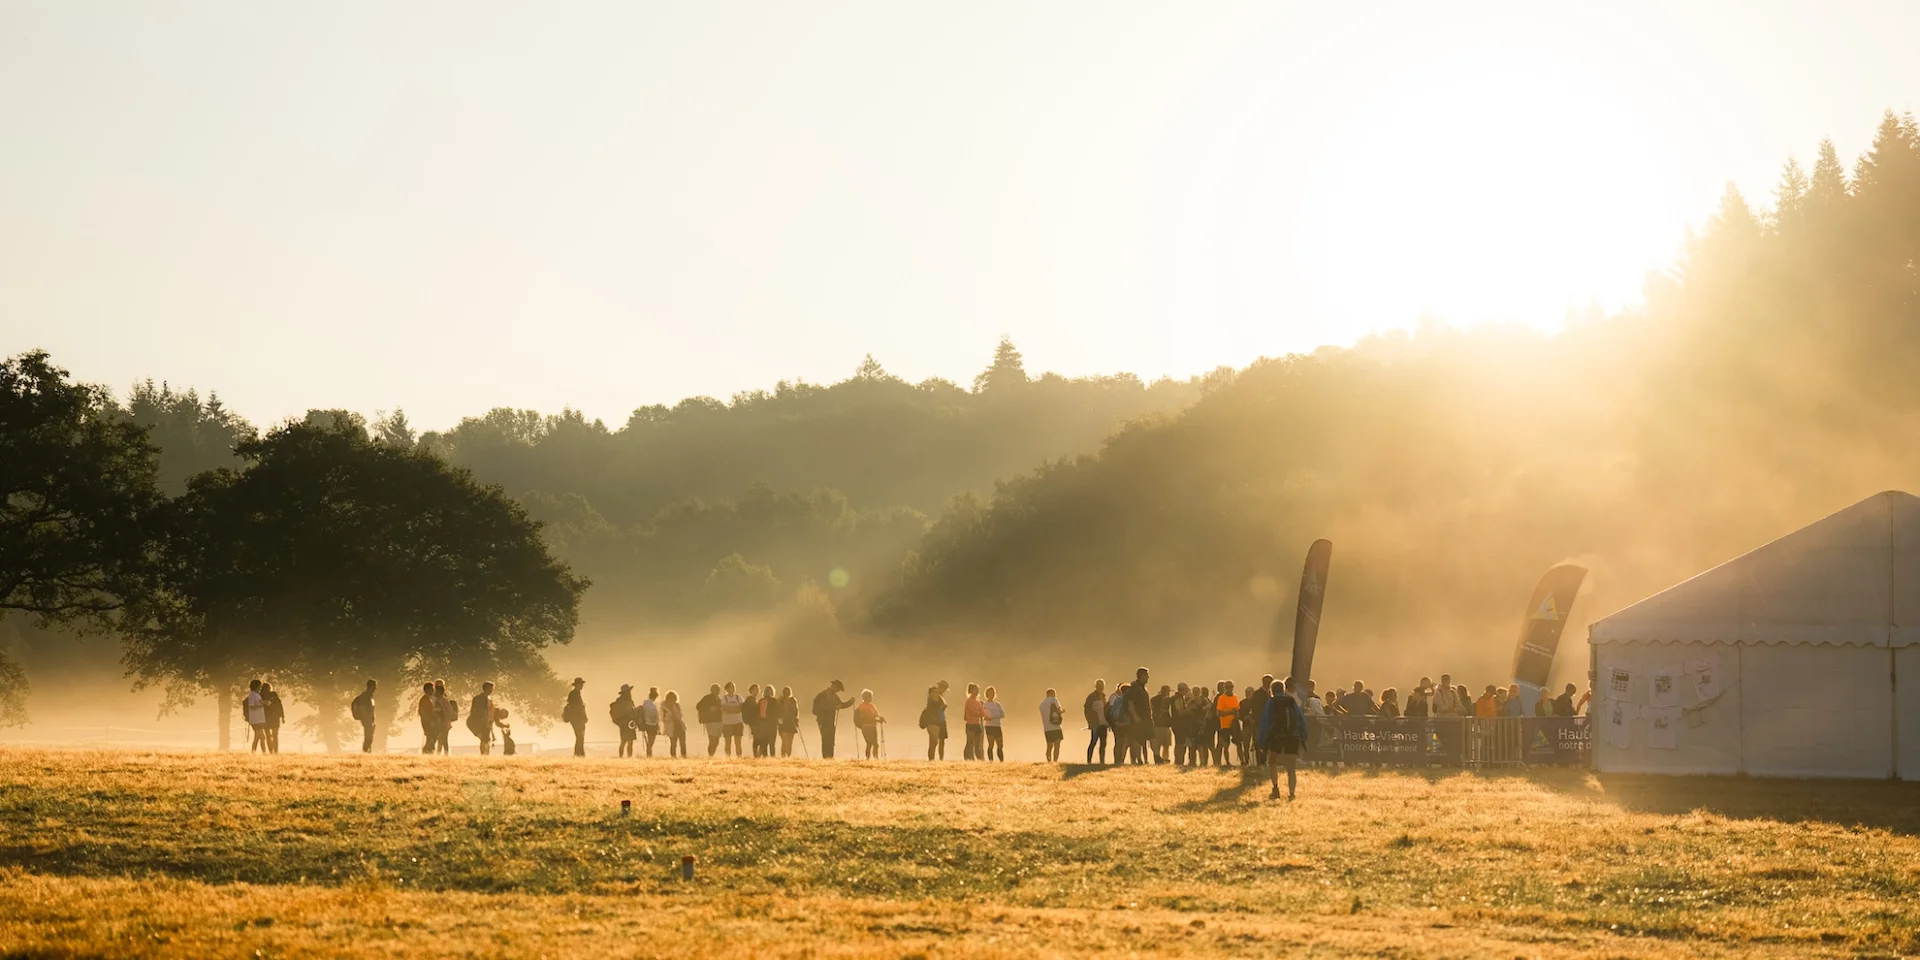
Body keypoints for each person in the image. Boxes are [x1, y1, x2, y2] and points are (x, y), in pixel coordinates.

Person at [1258, 676, 1307, 801]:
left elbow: (1265, 722)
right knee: (1291, 768)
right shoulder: (1291, 701)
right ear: (1284, 689)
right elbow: (1301, 718)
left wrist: (1261, 741)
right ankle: (1291, 793)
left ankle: (1275, 789)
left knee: (1272, 762)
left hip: (1276, 737)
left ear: (1271, 690)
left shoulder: (1271, 702)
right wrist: (1303, 735)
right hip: (1292, 736)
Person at [811, 680, 855, 758]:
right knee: (825, 740)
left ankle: (830, 757)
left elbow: (841, 705)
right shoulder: (822, 696)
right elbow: (816, 710)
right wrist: (833, 708)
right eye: (838, 689)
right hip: (823, 721)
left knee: (831, 741)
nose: (838, 691)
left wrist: (850, 702)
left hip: (831, 722)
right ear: (833, 686)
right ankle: (826, 758)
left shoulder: (834, 696)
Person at [1243, 675, 1273, 766]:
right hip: (1260, 722)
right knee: (1259, 743)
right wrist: (1256, 719)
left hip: (1269, 722)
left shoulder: (1270, 693)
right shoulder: (1258, 694)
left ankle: (1267, 762)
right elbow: (1255, 708)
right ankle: (1260, 762)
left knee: (1268, 743)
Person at [1125, 667, 1153, 764]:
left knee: (1143, 740)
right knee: (1136, 740)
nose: (1148, 678)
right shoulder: (1134, 687)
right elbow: (1130, 703)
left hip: (1145, 718)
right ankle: (1137, 760)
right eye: (1147, 675)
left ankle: (1142, 760)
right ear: (1142, 676)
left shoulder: (1142, 687)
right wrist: (1135, 716)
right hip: (1138, 719)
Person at [1214, 681, 1240, 768]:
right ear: (1225, 688)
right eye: (1228, 687)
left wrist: (1236, 715)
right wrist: (1230, 712)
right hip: (1225, 725)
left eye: (1231, 686)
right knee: (1225, 744)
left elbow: (1237, 709)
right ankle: (1227, 762)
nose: (1230, 688)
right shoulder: (1221, 698)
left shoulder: (1235, 697)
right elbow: (1219, 713)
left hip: (1234, 724)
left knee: (1239, 742)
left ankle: (1243, 761)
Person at [1106, 682, 1133, 764]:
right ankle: (1121, 760)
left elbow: (1111, 712)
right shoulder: (1127, 700)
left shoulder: (1117, 700)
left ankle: (1117, 761)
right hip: (1126, 724)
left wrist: (1114, 722)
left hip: (1117, 724)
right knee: (1126, 743)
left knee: (1118, 743)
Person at [1083, 679, 1109, 765]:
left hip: (1104, 723)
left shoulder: (1104, 696)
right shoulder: (1091, 697)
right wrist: (1090, 722)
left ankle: (1102, 761)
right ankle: (1089, 761)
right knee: (1093, 742)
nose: (1101, 687)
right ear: (1096, 686)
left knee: (1103, 743)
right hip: (1095, 724)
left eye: (1102, 686)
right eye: (1099, 685)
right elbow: (1087, 710)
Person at [920, 684, 947, 760]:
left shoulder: (939, 700)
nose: (937, 693)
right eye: (935, 692)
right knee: (934, 741)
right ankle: (931, 758)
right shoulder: (931, 700)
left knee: (934, 742)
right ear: (931, 693)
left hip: (938, 722)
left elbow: (943, 705)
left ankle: (932, 758)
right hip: (932, 722)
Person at [854, 689, 884, 758]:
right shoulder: (863, 706)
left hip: (872, 726)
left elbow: (875, 715)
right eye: (870, 696)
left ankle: (873, 759)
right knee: (870, 743)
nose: (871, 698)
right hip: (867, 727)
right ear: (865, 697)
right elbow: (868, 716)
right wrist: (878, 720)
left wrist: (879, 719)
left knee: (874, 744)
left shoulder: (870, 705)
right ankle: (871, 759)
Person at [562, 678, 588, 757]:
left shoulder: (576, 694)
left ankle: (579, 754)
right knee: (580, 736)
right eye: (580, 684)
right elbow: (576, 707)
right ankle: (579, 754)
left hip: (579, 719)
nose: (582, 685)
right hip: (577, 719)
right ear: (577, 685)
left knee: (580, 737)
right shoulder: (574, 694)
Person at [351, 679, 378, 754]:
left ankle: (367, 753)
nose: (376, 689)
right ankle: (366, 753)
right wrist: (366, 719)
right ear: (370, 686)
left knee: (369, 738)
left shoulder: (369, 697)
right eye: (374, 686)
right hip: (367, 721)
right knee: (368, 738)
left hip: (370, 721)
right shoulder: (365, 697)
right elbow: (364, 709)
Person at [468, 681, 496, 755]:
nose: (492, 690)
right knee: (484, 739)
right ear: (486, 688)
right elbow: (481, 712)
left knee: (486, 739)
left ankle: (485, 755)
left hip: (486, 722)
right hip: (479, 722)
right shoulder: (480, 698)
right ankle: (484, 755)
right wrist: (485, 722)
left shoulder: (489, 699)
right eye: (491, 688)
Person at [611, 684, 638, 758]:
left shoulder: (628, 700)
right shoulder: (621, 701)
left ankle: (627, 757)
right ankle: (622, 757)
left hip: (629, 723)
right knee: (625, 741)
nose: (629, 693)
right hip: (625, 723)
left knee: (629, 741)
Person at [1149, 684, 1174, 764]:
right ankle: (1162, 759)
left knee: (1161, 745)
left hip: (1161, 725)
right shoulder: (1165, 700)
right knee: (1163, 745)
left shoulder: (1154, 699)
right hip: (1161, 725)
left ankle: (1161, 760)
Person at [719, 682, 745, 757]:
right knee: (728, 742)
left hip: (738, 723)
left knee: (738, 743)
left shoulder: (739, 697)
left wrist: (730, 708)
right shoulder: (724, 698)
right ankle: (728, 757)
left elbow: (741, 708)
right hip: (727, 724)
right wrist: (735, 709)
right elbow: (725, 709)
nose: (733, 689)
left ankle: (739, 757)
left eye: (734, 687)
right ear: (726, 689)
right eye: (731, 687)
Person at [1038, 687, 1064, 762]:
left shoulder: (1041, 704)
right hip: (1056, 726)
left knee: (1049, 746)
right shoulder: (1054, 700)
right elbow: (1059, 711)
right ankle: (1055, 761)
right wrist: (1063, 711)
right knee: (1057, 745)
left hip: (1047, 728)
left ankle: (1049, 761)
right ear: (1052, 694)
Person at [696, 684, 723, 756]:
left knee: (716, 740)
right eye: (716, 689)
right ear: (711, 690)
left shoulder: (718, 698)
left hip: (719, 721)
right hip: (710, 721)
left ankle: (712, 754)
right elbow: (698, 706)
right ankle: (710, 755)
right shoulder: (707, 698)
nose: (717, 691)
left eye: (718, 689)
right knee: (712, 740)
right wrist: (709, 709)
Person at [982, 686, 1006, 761]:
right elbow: (984, 715)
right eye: (989, 693)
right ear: (987, 694)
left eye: (992, 693)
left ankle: (1001, 760)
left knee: (1000, 745)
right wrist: (994, 715)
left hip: (997, 726)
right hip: (989, 726)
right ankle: (991, 760)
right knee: (991, 744)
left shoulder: (997, 704)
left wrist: (992, 716)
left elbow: (1002, 714)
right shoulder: (985, 704)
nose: (991, 695)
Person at [433, 680, 457, 755]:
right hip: (441, 722)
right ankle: (440, 753)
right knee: (441, 739)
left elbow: (449, 711)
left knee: (443, 738)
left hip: (444, 722)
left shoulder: (443, 700)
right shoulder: (439, 699)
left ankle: (443, 754)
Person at [261, 681, 284, 754]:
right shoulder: (274, 695)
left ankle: (270, 751)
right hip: (275, 717)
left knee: (268, 735)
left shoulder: (261, 696)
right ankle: (276, 751)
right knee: (275, 735)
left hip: (266, 717)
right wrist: (282, 716)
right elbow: (280, 706)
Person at [776, 685, 800, 757]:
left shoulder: (793, 700)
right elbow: (777, 712)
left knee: (789, 742)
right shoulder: (780, 701)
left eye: (788, 692)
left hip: (791, 722)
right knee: (785, 742)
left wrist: (796, 719)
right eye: (786, 692)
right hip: (783, 723)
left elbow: (796, 710)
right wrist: (779, 722)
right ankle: (783, 756)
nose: (787, 693)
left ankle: (788, 756)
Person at [663, 690, 688, 758]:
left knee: (683, 743)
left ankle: (684, 756)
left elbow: (681, 714)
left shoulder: (677, 705)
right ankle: (673, 757)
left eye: (673, 698)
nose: (672, 700)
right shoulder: (664, 707)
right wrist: (669, 717)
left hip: (680, 726)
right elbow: (663, 718)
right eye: (671, 698)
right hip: (672, 727)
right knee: (673, 744)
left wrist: (676, 716)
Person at [417, 682, 439, 754]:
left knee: (430, 738)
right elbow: (422, 712)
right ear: (427, 689)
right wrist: (429, 721)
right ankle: (427, 752)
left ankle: (428, 752)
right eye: (432, 689)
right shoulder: (425, 699)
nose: (433, 690)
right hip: (428, 722)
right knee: (430, 738)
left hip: (429, 721)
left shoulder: (428, 699)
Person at [641, 687, 663, 757]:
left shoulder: (645, 703)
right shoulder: (653, 705)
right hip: (652, 725)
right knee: (651, 743)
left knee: (649, 742)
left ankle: (649, 755)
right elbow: (655, 717)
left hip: (646, 724)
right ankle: (649, 755)